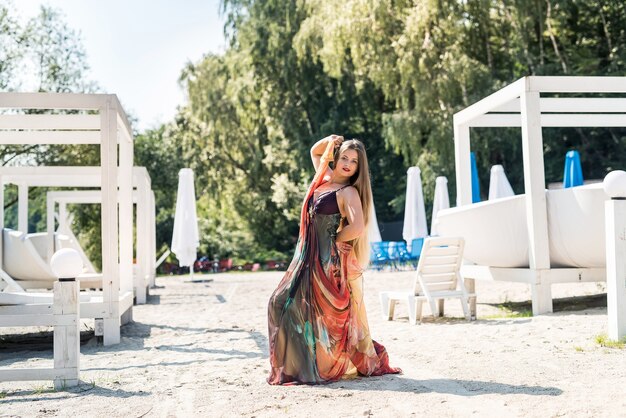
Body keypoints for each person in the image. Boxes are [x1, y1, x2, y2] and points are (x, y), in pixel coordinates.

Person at [267, 134, 401, 385]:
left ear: (359, 169)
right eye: (345, 158)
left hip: (325, 261)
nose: (349, 164)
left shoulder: (348, 192)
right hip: (305, 258)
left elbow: (358, 226)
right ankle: (298, 366)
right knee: (280, 303)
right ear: (336, 159)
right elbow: (315, 152)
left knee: (319, 316)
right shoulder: (324, 178)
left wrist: (336, 238)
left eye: (355, 161)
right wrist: (330, 140)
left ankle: (310, 367)